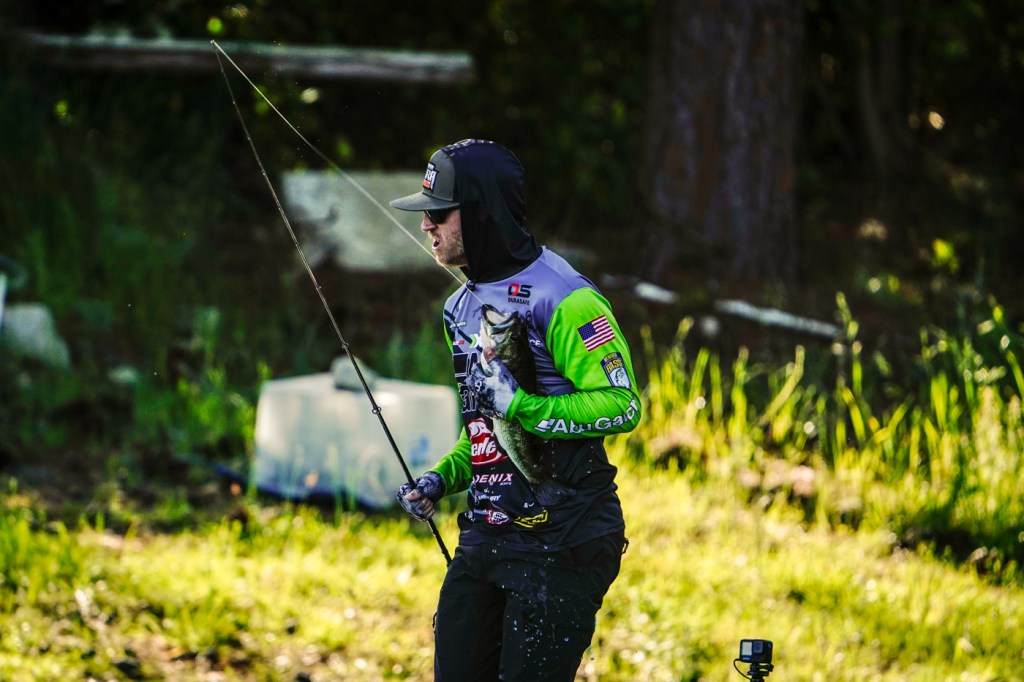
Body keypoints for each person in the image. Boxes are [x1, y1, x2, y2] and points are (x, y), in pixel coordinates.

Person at [390, 139, 641, 681]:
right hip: (485, 535)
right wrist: (440, 479)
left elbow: (622, 405)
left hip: (566, 537)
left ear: (480, 212)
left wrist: (523, 404)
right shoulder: (458, 308)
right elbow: (486, 431)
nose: (426, 225)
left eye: (439, 212)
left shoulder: (566, 297)